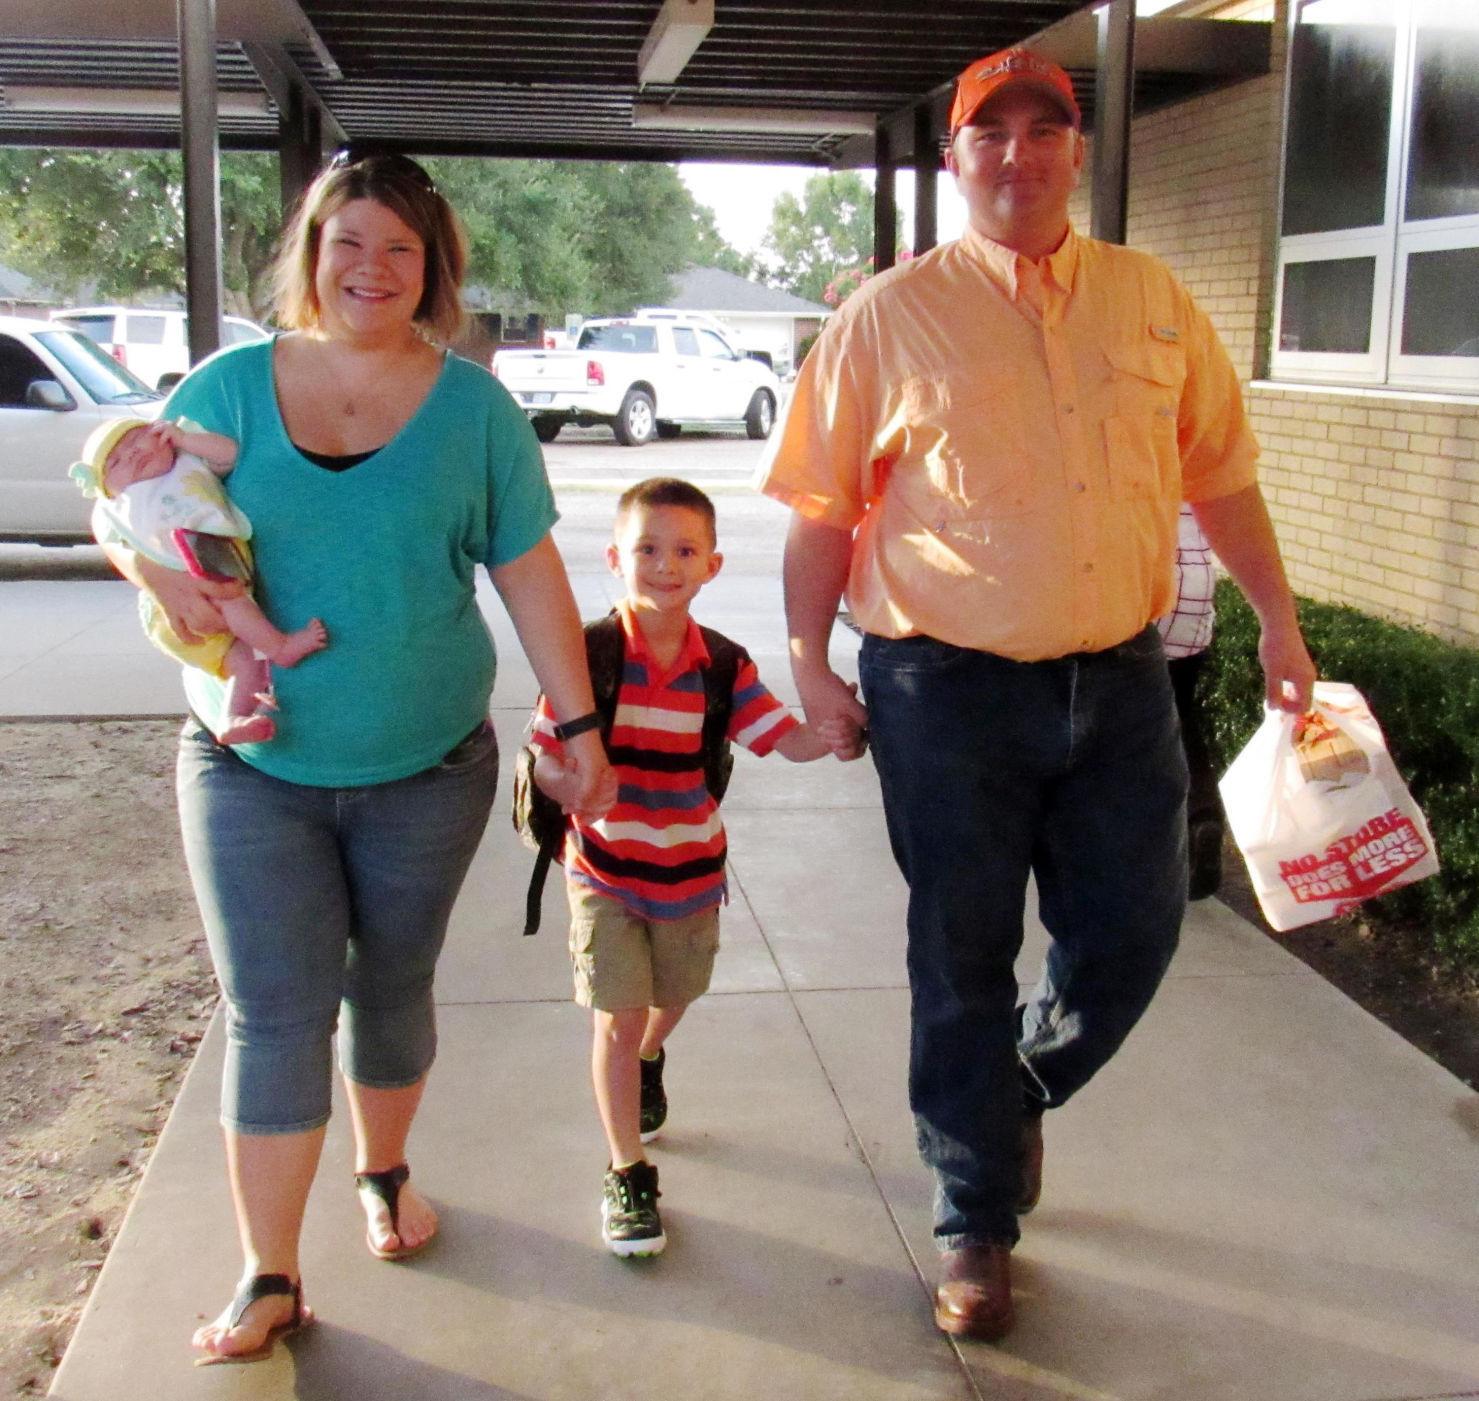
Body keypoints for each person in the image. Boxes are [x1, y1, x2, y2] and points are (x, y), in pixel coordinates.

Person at [756, 47, 1316, 1341]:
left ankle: (1006, 1095)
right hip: (939, 687)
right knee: (958, 950)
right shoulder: (885, 317)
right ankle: (970, 1216)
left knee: (1133, 930)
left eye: (1041, 128)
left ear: (1076, 151)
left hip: (1120, 677)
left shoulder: (1153, 301)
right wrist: (806, 663)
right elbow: (817, 513)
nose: (1015, 153)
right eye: (986, 133)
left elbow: (1220, 480)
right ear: (953, 162)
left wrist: (1277, 621)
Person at [100, 147, 615, 1365]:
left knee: (388, 989)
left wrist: (577, 722)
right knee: (274, 1010)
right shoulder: (227, 390)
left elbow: (529, 568)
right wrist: (150, 563)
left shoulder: (474, 410)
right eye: (348, 242)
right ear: (311, 253)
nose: (370, 269)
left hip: (426, 768)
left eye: (400, 247)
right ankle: (269, 1275)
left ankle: (384, 1173)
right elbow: (142, 518)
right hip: (249, 769)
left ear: (432, 266)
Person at [527, 477, 851, 1258]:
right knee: (615, 1013)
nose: (663, 565)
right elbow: (543, 754)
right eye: (645, 549)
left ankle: (647, 1055)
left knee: (674, 993)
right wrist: (566, 781)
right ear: (614, 558)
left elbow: (779, 734)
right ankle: (626, 1172)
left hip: (691, 870)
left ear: (711, 564)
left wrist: (830, 731)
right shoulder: (589, 654)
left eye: (681, 551)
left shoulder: (724, 666)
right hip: (602, 867)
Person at [73, 416, 327, 744]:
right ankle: (280, 647)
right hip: (186, 591)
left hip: (211, 587)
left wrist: (185, 439)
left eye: (136, 441)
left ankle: (233, 718)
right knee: (230, 595)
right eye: (116, 462)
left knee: (247, 662)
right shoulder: (124, 504)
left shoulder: (188, 462)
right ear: (108, 489)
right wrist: (154, 575)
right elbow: (107, 533)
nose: (132, 455)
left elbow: (228, 453)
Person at [1158, 503, 1225, 900]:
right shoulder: (1193, 445)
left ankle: (1156, 853)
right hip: (1193, 597)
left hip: (1146, 595)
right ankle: (1203, 815)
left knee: (1130, 733)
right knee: (1183, 717)